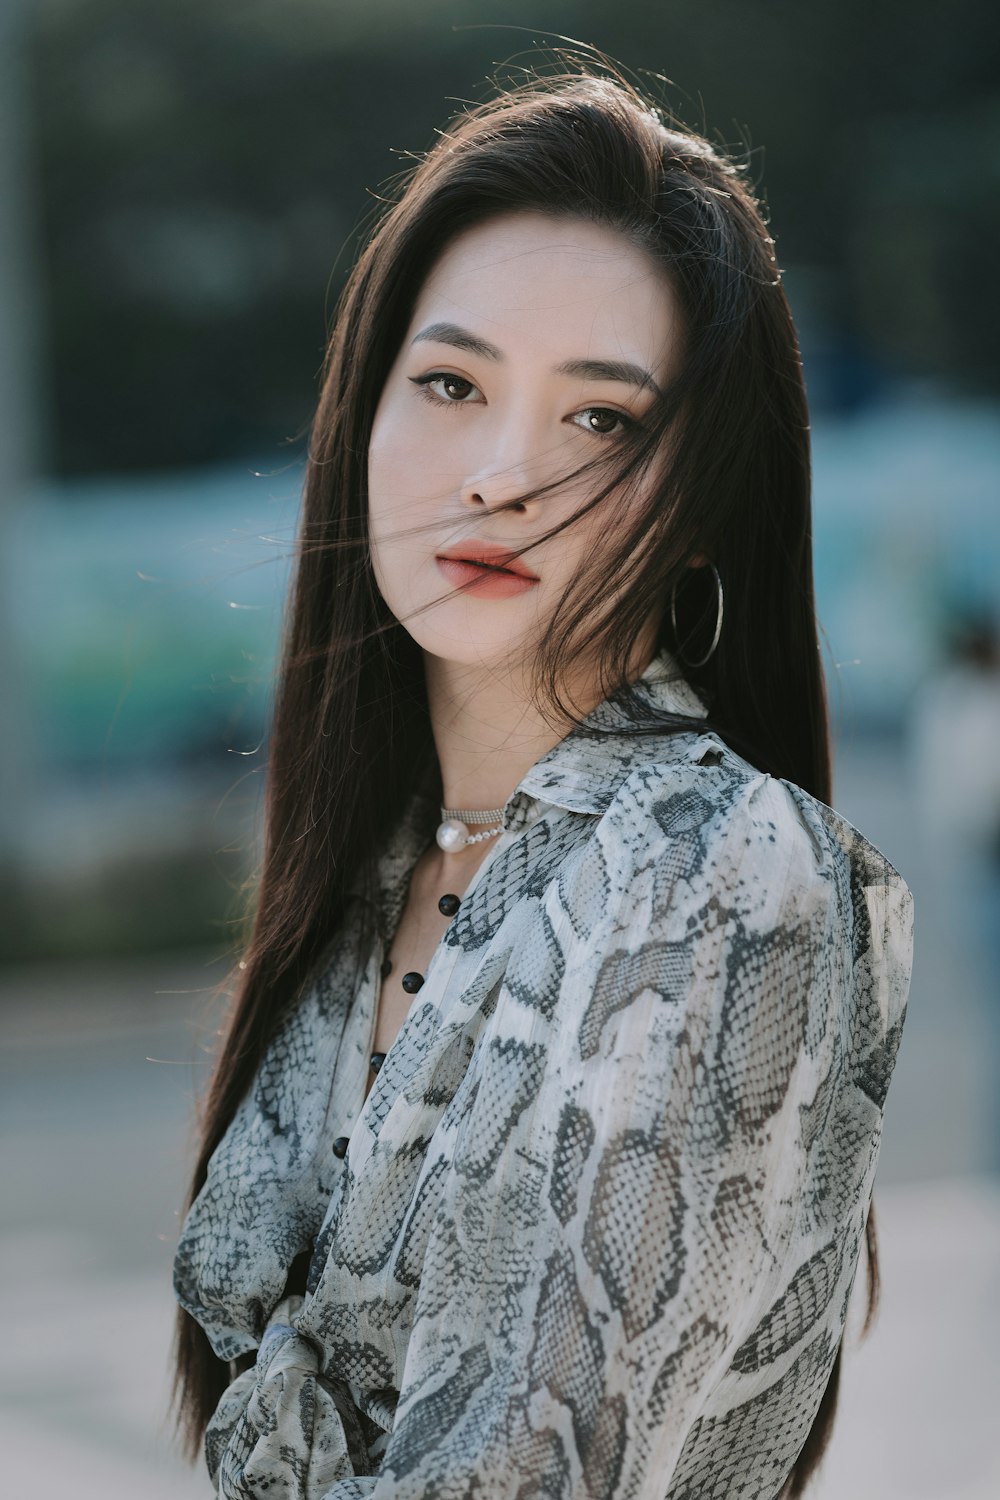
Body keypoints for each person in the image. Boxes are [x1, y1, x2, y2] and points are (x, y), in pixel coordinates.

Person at [171, 57, 914, 1500]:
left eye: (600, 420)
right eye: (450, 382)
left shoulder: (725, 874)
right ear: (361, 427)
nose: (503, 472)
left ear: (704, 506)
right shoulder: (377, 866)